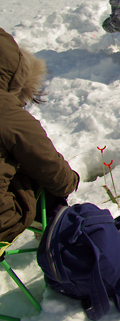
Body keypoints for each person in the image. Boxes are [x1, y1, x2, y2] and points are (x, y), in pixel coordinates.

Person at [0, 28, 79, 244]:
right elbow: (51, 169)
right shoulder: (7, 112)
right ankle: (57, 241)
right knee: (43, 180)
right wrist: (71, 181)